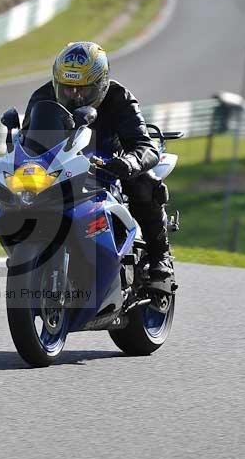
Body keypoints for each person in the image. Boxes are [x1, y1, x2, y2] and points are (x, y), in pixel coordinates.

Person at [21, 41, 174, 311]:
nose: (74, 96)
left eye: (83, 89)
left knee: (144, 182)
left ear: (101, 84)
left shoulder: (120, 98)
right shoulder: (42, 97)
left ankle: (161, 257)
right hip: (61, 165)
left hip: (108, 166)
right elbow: (27, 142)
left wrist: (128, 162)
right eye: (67, 88)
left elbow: (145, 146)